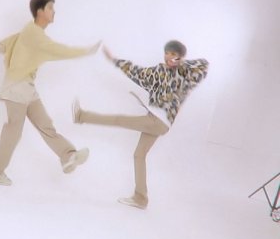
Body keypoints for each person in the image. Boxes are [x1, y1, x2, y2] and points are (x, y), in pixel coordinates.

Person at [71, 40, 209, 209]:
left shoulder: (185, 74)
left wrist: (181, 62)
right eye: (167, 53)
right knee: (139, 155)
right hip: (154, 119)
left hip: (159, 121)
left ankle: (81, 116)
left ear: (180, 56)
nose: (168, 57)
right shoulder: (159, 71)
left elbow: (204, 65)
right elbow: (137, 72)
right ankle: (141, 198)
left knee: (119, 120)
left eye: (173, 54)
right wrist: (114, 60)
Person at [0, 0, 100, 186]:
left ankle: (68, 156)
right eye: (50, 8)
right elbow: (58, 50)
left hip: (27, 88)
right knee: (14, 130)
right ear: (40, 11)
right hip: (16, 88)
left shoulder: (30, 31)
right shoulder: (34, 34)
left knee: (46, 125)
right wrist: (85, 51)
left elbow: (10, 41)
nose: (54, 11)